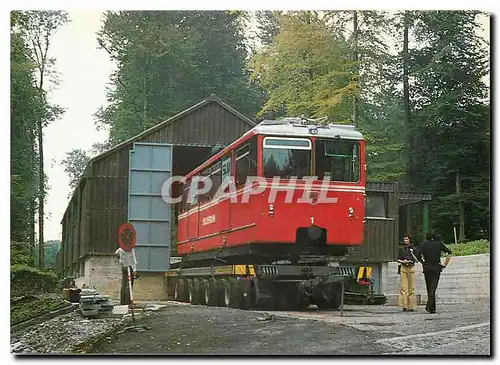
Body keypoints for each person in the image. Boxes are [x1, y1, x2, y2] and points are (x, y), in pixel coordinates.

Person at [415, 230, 452, 314]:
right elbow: (449, 252)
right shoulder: (439, 244)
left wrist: (423, 262)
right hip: (436, 267)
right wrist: (444, 264)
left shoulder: (424, 244)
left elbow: (417, 255)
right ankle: (430, 306)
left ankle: (432, 308)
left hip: (427, 267)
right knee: (433, 287)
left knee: (429, 287)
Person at [397, 234, 417, 312]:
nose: (405, 241)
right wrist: (403, 261)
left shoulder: (414, 249)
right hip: (403, 267)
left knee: (411, 288)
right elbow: (398, 259)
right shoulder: (401, 249)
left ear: (410, 240)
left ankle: (411, 306)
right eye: (404, 239)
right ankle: (404, 305)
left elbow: (417, 259)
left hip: (411, 267)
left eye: (406, 239)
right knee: (403, 287)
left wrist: (412, 254)